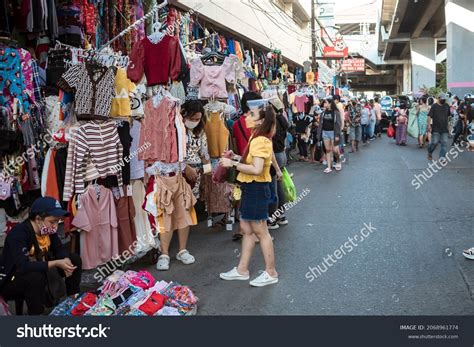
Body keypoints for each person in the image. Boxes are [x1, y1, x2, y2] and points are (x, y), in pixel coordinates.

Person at [219, 105, 278, 287]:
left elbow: (257, 169)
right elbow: (254, 162)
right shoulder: (257, 137)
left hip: (257, 188)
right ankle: (242, 269)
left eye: (252, 114)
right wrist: (236, 158)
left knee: (261, 231)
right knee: (247, 228)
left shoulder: (260, 140)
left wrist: (232, 164)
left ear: (261, 121)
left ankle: (271, 272)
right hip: (252, 188)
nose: (246, 115)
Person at [0, 197, 82, 315]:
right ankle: (36, 316)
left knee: (74, 259)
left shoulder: (47, 230)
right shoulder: (18, 234)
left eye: (57, 221)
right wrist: (57, 263)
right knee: (35, 277)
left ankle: (72, 300)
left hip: (40, 270)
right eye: (52, 221)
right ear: (38, 219)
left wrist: (66, 260)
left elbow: (59, 248)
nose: (55, 226)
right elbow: (23, 266)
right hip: (12, 279)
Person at [156, 101, 208, 271]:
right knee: (167, 212)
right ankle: (164, 253)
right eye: (192, 118)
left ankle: (182, 249)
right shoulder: (172, 130)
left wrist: (206, 172)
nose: (195, 121)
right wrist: (186, 167)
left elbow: (205, 155)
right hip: (171, 175)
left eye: (198, 119)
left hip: (193, 177)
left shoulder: (199, 133)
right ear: (183, 114)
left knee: (185, 212)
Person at [267, 98, 288, 230]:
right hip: (282, 155)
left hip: (275, 156)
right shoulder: (282, 120)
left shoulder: (273, 122)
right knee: (279, 187)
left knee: (273, 188)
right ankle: (281, 215)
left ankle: (273, 218)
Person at [318, 98, 342, 173]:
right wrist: (319, 134)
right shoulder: (323, 113)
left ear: (330, 103)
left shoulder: (335, 112)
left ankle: (338, 160)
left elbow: (338, 124)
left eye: (326, 103)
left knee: (335, 150)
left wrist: (337, 135)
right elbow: (320, 124)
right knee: (327, 150)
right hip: (325, 132)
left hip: (334, 133)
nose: (324, 104)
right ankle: (329, 166)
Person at [427, 93, 451, 160]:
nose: (443, 100)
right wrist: (429, 125)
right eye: (442, 99)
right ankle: (430, 151)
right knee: (434, 142)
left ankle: (442, 157)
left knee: (444, 143)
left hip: (444, 128)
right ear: (438, 98)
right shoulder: (434, 106)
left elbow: (448, 117)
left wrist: (449, 127)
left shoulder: (447, 106)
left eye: (444, 99)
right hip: (436, 128)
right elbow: (429, 116)